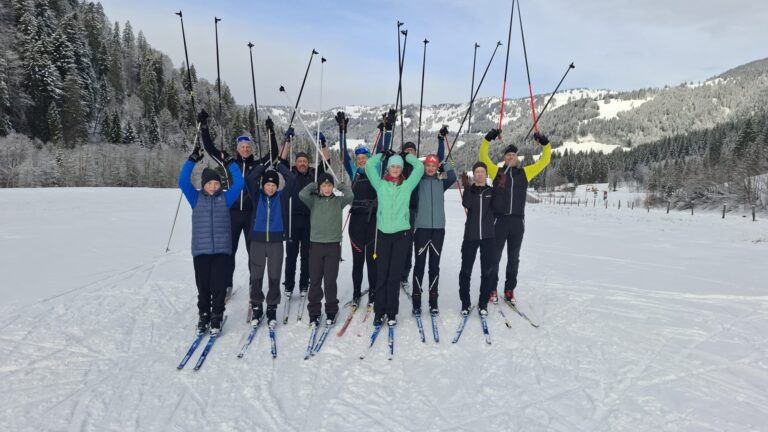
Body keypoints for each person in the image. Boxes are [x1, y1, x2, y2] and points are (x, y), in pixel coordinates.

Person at [178, 140, 244, 335]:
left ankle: (216, 316)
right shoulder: (195, 197)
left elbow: (239, 182)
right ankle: (203, 316)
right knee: (203, 287)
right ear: (203, 184)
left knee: (218, 287)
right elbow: (182, 181)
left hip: (222, 251)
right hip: (201, 251)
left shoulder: (225, 198)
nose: (213, 186)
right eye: (209, 183)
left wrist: (230, 162)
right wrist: (192, 160)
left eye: (216, 183)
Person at [479, 129, 551, 305]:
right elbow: (483, 156)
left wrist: (545, 144)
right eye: (508, 155)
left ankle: (509, 289)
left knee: (514, 258)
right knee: (494, 257)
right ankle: (492, 288)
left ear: (517, 158)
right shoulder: (496, 172)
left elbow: (545, 159)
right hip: (499, 221)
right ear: (504, 158)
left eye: (513, 155)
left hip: (517, 222)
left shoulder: (525, 173)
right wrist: (488, 139)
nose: (511, 157)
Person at [364, 138, 424, 327]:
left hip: (402, 235)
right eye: (393, 166)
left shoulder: (407, 186)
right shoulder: (380, 185)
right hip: (382, 234)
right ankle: (378, 312)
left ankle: (391, 312)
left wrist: (407, 157)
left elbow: (420, 169)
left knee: (394, 275)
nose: (396, 169)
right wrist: (383, 155)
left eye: (398, 167)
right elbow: (368, 166)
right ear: (388, 169)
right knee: (382, 274)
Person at [337, 111, 389, 310]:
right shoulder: (354, 172)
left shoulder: (375, 171)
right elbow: (343, 155)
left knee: (372, 261)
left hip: (373, 222)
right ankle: (357, 293)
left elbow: (384, 151)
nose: (361, 160)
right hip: (356, 223)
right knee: (357, 262)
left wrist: (386, 129)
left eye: (364, 157)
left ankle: (374, 294)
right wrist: (343, 131)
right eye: (358, 158)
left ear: (369, 159)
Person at [244, 143, 296, 327]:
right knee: (256, 275)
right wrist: (265, 166)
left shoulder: (282, 197)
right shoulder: (256, 195)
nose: (271, 187)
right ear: (263, 185)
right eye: (268, 184)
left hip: (275, 243)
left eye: (274, 184)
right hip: (257, 241)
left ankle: (272, 307)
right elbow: (250, 179)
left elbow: (291, 179)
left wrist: (280, 165)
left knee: (274, 275)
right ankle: (257, 306)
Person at [279, 130, 331, 300]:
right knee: (291, 255)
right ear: (296, 162)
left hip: (309, 220)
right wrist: (287, 141)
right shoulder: (290, 173)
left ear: (308, 163)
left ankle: (303, 284)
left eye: (305, 161)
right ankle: (288, 284)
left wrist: (323, 144)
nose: (302, 163)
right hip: (293, 220)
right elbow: (280, 160)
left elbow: (326, 161)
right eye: (299, 161)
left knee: (306, 256)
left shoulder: (313, 174)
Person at [410, 126, 456, 316]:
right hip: (421, 229)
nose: (430, 168)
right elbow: (413, 164)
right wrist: (420, 166)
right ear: (424, 167)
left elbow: (452, 174)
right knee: (419, 265)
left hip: (438, 229)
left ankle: (433, 300)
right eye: (427, 165)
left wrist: (441, 145)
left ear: (437, 167)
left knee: (434, 266)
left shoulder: (441, 181)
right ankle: (416, 300)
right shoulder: (418, 181)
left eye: (433, 165)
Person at [298, 172, 354, 326]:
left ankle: (331, 311)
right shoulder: (313, 200)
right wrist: (314, 185)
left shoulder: (338, 201)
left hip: (333, 246)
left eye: (329, 185)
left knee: (330, 281)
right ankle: (314, 312)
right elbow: (302, 194)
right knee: (315, 280)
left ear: (333, 187)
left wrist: (342, 186)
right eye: (324, 185)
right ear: (320, 187)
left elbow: (350, 196)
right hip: (316, 245)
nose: (327, 188)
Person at [458, 162, 496, 317]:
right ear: (474, 174)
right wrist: (467, 187)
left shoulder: (492, 191)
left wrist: (501, 189)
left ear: (486, 174)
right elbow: (466, 204)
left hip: (488, 237)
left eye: (482, 171)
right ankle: (465, 304)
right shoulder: (470, 190)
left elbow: (499, 207)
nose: (480, 174)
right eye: (477, 171)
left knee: (487, 272)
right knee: (465, 271)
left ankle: (482, 304)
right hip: (470, 236)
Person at [399, 141, 419, 291]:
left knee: (408, 243)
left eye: (412, 151)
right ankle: (395, 272)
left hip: (413, 210)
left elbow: (438, 160)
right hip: (398, 209)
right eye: (407, 151)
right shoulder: (399, 168)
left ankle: (404, 275)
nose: (409, 153)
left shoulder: (419, 168)